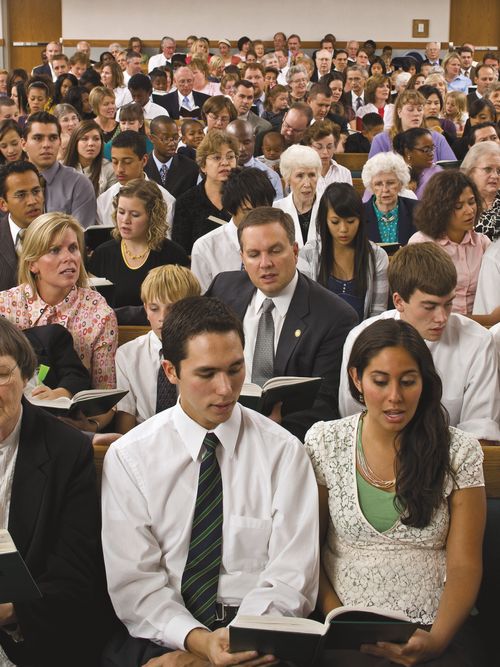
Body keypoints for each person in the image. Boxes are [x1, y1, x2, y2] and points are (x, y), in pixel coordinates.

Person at [101, 296, 319, 666]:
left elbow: (291, 575)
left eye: (235, 369)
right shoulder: (131, 456)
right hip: (166, 632)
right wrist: (199, 644)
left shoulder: (282, 452)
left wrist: (241, 641)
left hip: (260, 630)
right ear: (171, 371)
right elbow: (135, 581)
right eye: (206, 374)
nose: (226, 389)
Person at [306, 317, 486, 667]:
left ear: (425, 382)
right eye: (380, 381)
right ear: (357, 379)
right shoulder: (324, 442)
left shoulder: (460, 451)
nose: (395, 397)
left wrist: (436, 640)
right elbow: (309, 552)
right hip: (343, 629)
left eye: (408, 382)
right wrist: (339, 620)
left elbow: (465, 564)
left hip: (434, 627)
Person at [0, 317, 106, 667]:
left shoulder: (65, 451)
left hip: (28, 637)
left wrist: (14, 610)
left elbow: (74, 575)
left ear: (27, 376)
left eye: (1, 373)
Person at [206, 207, 358, 441]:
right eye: (254, 254)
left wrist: (271, 431)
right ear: (242, 258)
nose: (265, 263)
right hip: (220, 428)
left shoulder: (335, 316)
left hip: (290, 440)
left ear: (295, 251)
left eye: (275, 251)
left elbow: (324, 405)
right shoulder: (223, 288)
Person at [339, 242, 500, 443]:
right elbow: (354, 424)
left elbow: (479, 434)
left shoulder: (477, 342)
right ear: (398, 301)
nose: (442, 317)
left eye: (448, 304)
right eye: (429, 306)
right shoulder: (360, 338)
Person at [0, 212, 117, 388]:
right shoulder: (4, 306)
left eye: (73, 248)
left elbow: (104, 402)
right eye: (54, 250)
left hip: (76, 412)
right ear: (32, 264)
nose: (68, 258)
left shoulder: (100, 314)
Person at [115, 265, 201, 432]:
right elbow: (125, 425)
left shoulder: (203, 352)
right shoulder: (128, 355)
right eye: (154, 309)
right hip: (144, 442)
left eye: (172, 309)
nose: (162, 318)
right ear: (146, 309)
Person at [89, 179, 188, 307]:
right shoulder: (102, 254)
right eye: (121, 212)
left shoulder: (173, 255)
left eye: (135, 215)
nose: (125, 220)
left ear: (153, 216)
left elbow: (181, 308)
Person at [301, 183, 388, 322]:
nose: (343, 229)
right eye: (335, 222)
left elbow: (377, 315)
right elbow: (304, 309)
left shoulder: (377, 256)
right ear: (325, 221)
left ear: (360, 220)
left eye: (350, 221)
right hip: (320, 339)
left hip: (363, 338)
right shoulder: (308, 253)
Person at [409, 170, 490, 315]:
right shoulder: (422, 243)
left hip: (480, 326)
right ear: (440, 210)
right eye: (458, 206)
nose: (469, 211)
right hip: (437, 324)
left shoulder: (483, 243)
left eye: (472, 202)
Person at [191, 167, 276, 291]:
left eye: (264, 210)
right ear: (230, 209)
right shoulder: (205, 248)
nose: (258, 218)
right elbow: (201, 301)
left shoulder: (281, 241)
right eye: (248, 211)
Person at [21, 111, 96, 229]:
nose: (46, 144)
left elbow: (80, 237)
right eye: (38, 138)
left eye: (53, 138)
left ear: (59, 142)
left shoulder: (79, 184)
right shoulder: (10, 183)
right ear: (23, 144)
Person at [172, 130, 238, 255]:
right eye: (217, 157)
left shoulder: (244, 197)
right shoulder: (186, 202)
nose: (225, 163)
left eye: (230, 157)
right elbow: (181, 252)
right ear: (203, 166)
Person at [97, 130, 175, 229]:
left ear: (144, 160)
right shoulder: (103, 201)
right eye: (115, 162)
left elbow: (165, 241)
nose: (119, 169)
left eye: (127, 162)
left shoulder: (165, 200)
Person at [368, 90, 456, 161]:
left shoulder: (437, 138)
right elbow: (371, 173)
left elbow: (451, 170)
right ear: (399, 112)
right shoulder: (381, 140)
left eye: (420, 109)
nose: (416, 114)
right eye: (410, 109)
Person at [0, 161, 44, 290]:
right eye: (21, 195)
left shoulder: (62, 234)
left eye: (36, 191)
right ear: (3, 204)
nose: (32, 201)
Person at [361, 152, 418, 248]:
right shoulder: (359, 213)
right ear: (371, 186)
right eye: (378, 184)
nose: (385, 189)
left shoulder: (418, 210)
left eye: (390, 183)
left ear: (400, 184)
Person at [274, 144, 322, 246]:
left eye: (312, 175)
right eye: (300, 176)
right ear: (288, 179)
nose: (307, 183)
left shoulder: (328, 207)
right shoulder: (276, 210)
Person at [225, 119, 283, 198]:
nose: (241, 148)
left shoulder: (271, 177)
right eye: (236, 143)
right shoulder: (218, 173)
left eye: (247, 142)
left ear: (254, 140)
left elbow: (276, 207)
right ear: (226, 142)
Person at [145, 115, 199, 198]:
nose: (172, 143)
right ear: (151, 138)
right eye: (165, 138)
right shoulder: (141, 167)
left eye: (175, 138)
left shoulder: (191, 168)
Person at [63, 118, 116, 196]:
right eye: (84, 139)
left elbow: (110, 203)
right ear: (75, 142)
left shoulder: (110, 169)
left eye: (96, 139)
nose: (91, 144)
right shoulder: (61, 168)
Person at [461, 141, 500, 240]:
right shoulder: (456, 201)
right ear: (470, 171)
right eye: (487, 169)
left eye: (499, 171)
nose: (495, 175)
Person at [303, 120, 352, 196]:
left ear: (335, 146)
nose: (325, 152)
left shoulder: (344, 173)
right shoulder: (301, 172)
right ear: (309, 146)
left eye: (329, 147)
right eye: (319, 147)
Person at [393, 127, 443, 198]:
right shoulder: (392, 174)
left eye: (432, 148)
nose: (431, 153)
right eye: (426, 149)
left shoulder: (436, 173)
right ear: (408, 152)